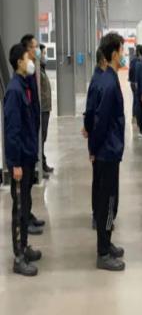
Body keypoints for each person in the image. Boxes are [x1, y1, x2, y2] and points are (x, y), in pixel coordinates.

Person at [89, 32, 127, 271]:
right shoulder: (108, 83)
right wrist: (94, 148)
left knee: (112, 200)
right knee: (107, 202)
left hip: (111, 151)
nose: (123, 55)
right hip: (106, 152)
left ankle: (108, 240)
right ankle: (102, 252)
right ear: (114, 54)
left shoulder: (109, 79)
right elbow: (100, 121)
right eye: (122, 51)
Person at [4, 43, 42, 276]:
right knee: (19, 210)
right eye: (28, 57)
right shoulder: (14, 91)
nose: (31, 61)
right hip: (20, 160)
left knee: (25, 205)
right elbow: (12, 131)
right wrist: (15, 163)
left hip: (27, 157)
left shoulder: (25, 85)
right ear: (19, 62)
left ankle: (24, 246)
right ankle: (18, 257)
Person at [19, 34, 46, 234]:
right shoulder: (20, 83)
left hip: (31, 136)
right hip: (25, 139)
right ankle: (23, 220)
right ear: (26, 51)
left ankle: (28, 215)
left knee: (28, 183)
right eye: (34, 47)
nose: (37, 51)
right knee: (24, 184)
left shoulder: (31, 73)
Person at [83, 49, 108, 230]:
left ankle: (103, 217)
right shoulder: (99, 82)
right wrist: (92, 147)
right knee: (100, 182)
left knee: (101, 182)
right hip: (102, 144)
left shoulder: (105, 79)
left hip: (105, 143)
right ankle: (99, 216)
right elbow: (91, 113)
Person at [39, 45, 53, 176]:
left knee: (43, 138)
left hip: (45, 109)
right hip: (42, 109)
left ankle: (42, 164)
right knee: (41, 138)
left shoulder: (42, 69)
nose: (45, 56)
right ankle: (40, 167)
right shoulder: (37, 71)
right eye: (43, 53)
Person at [128, 46, 141, 129]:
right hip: (135, 82)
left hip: (132, 82)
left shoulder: (132, 60)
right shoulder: (138, 61)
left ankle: (134, 115)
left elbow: (130, 71)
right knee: (136, 99)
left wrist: (130, 79)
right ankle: (135, 116)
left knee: (134, 98)